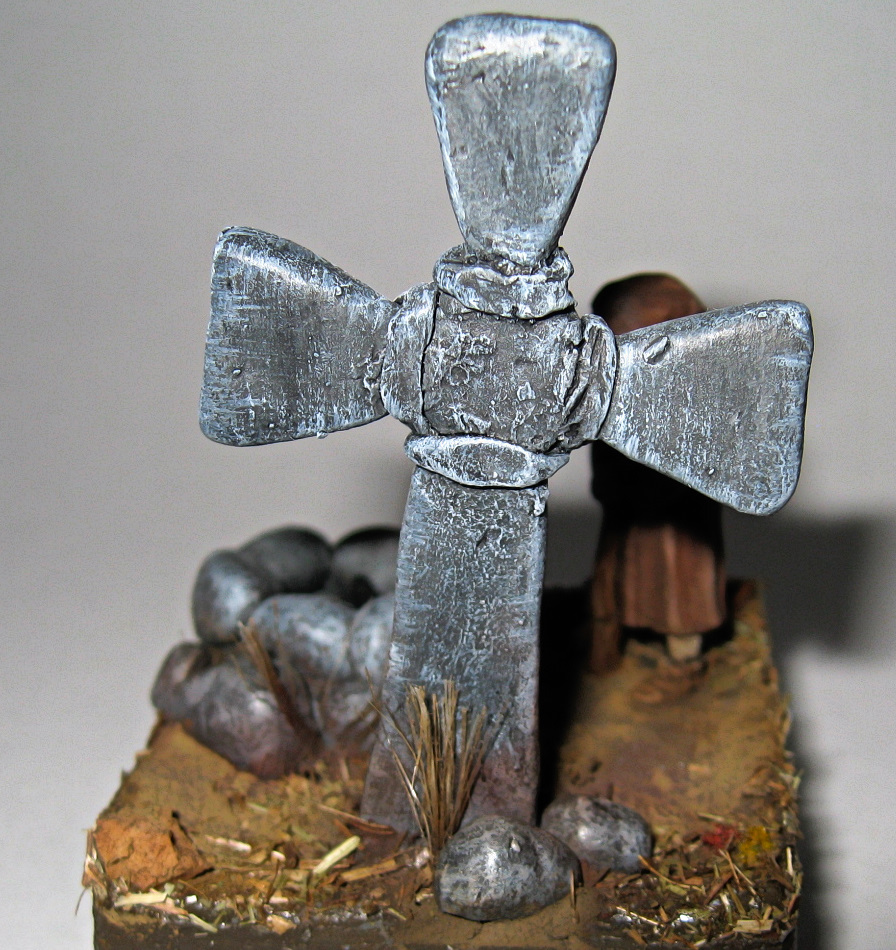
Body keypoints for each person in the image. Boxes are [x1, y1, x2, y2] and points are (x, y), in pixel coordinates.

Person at [589, 273, 725, 671]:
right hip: (630, 502)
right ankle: (611, 635)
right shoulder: (615, 383)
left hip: (679, 507)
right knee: (623, 574)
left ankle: (684, 650)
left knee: (683, 576)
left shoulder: (696, 389)